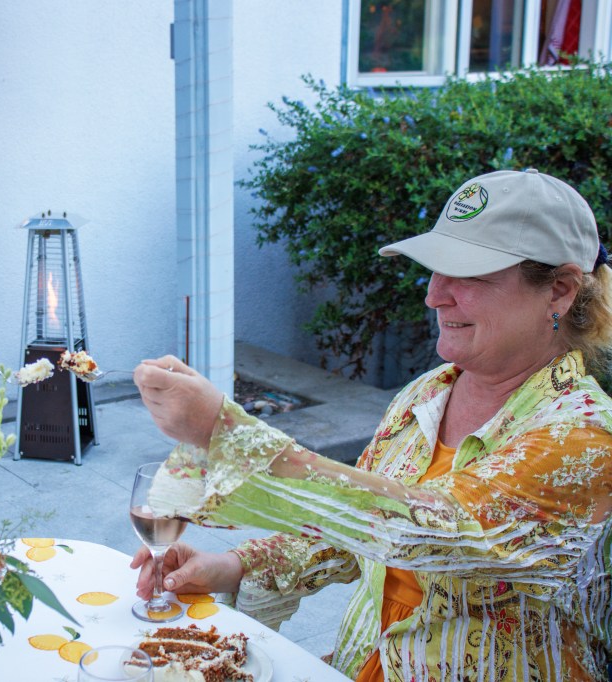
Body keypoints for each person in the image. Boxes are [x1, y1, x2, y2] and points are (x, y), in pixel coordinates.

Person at [131, 168, 612, 681]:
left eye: (470, 276)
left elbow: (431, 531)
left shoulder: (585, 436)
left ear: (559, 290)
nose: (435, 295)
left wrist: (225, 431)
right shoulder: (426, 394)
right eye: (435, 269)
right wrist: (231, 566)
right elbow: (352, 528)